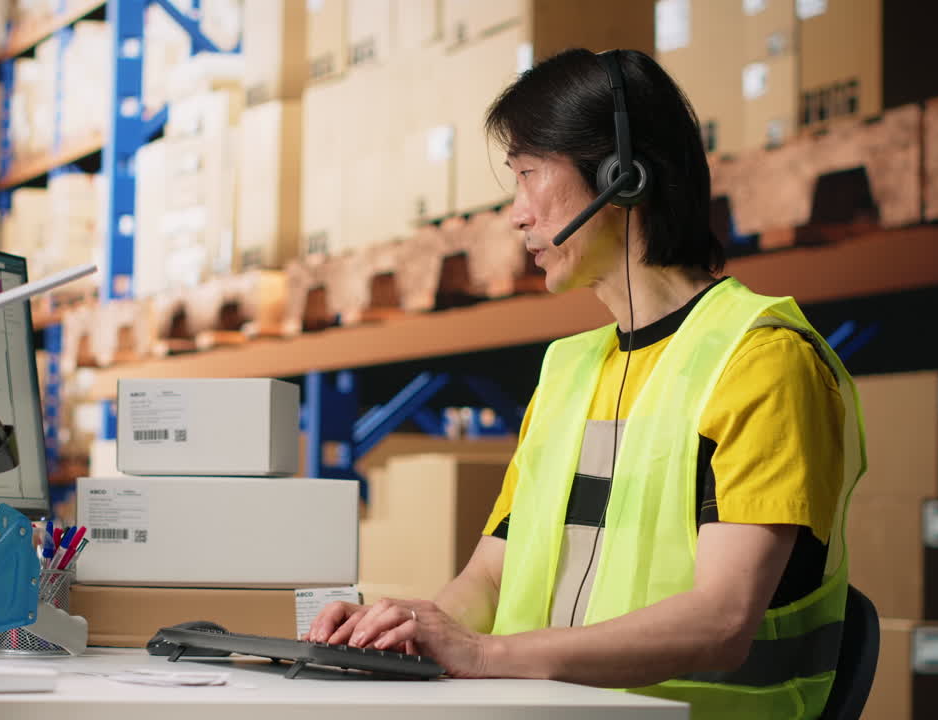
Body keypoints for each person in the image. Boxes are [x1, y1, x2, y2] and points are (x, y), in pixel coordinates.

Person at [306, 48, 866, 719]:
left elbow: (722, 622)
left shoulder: (761, 363)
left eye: (528, 176)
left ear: (621, 176)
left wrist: (485, 657)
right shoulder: (568, 370)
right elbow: (490, 574)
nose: (515, 216)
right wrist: (406, 628)